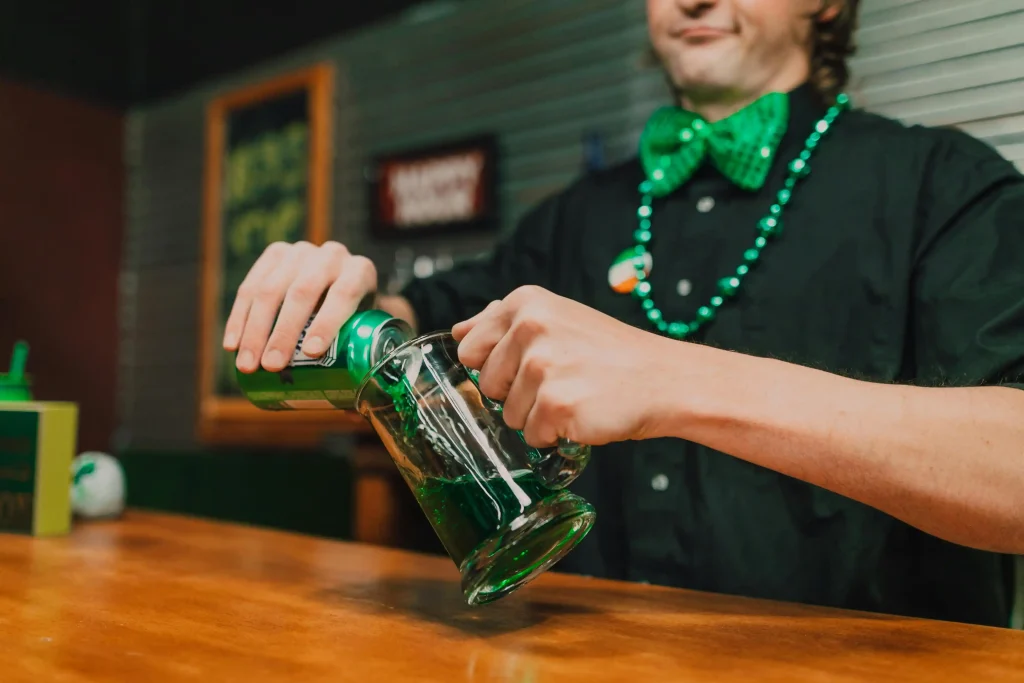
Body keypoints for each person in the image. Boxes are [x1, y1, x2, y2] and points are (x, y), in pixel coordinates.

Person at [224, 0, 1024, 627]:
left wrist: (671, 377)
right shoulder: (571, 219)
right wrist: (331, 296)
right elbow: (410, 329)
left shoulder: (945, 183)